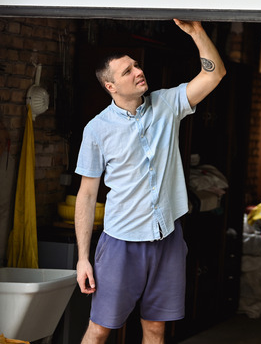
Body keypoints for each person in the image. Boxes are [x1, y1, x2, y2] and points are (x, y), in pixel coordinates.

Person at [74, 19, 226, 344]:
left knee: (155, 329)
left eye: (136, 65)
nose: (138, 72)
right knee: (100, 329)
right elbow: (87, 196)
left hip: (167, 238)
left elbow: (214, 74)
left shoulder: (168, 104)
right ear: (110, 86)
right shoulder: (97, 130)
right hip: (120, 244)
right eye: (127, 71)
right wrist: (83, 258)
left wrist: (196, 32)